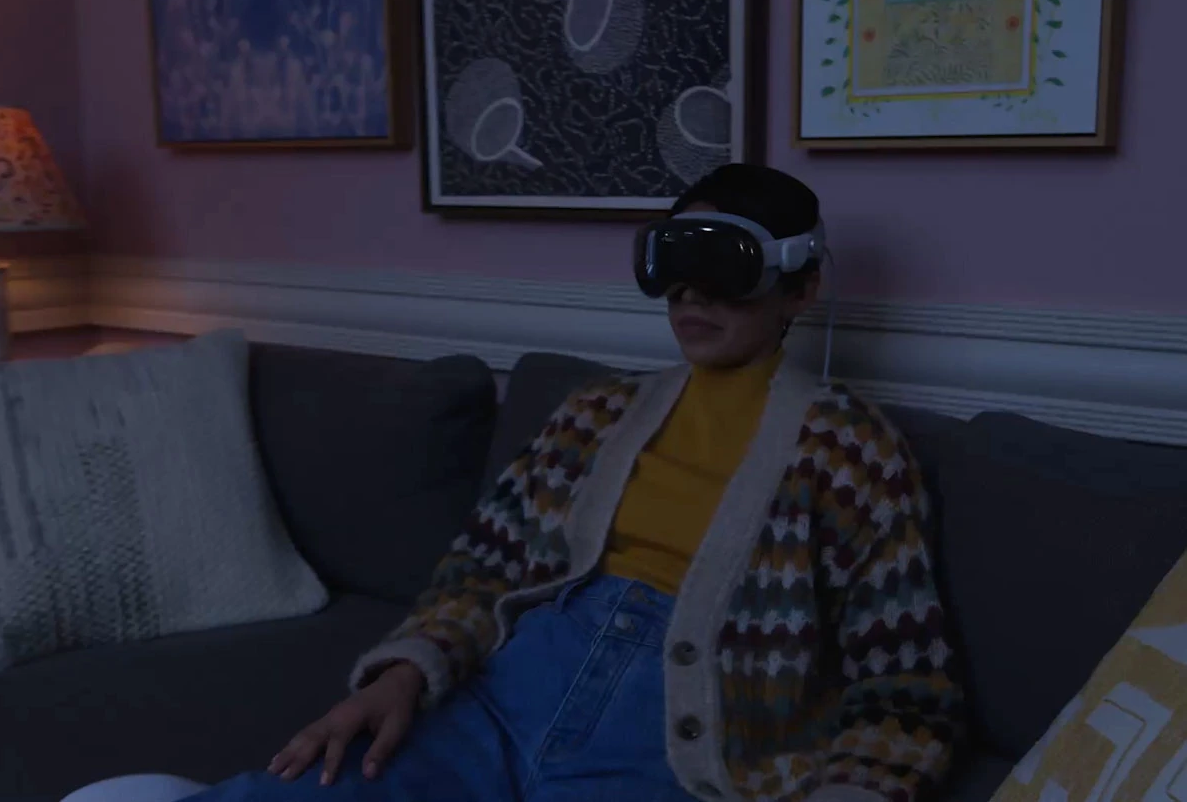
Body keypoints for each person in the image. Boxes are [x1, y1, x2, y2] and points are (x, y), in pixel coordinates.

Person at [63, 164, 962, 802]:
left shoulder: (854, 453)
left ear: (800, 287)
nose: (691, 294)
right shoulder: (594, 413)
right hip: (496, 706)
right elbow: (481, 573)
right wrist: (404, 672)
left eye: (724, 267)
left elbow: (907, 686)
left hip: (681, 752)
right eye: (672, 265)